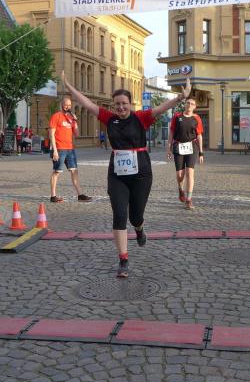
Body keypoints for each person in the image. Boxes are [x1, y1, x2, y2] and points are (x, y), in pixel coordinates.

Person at [63, 72, 192, 278]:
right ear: (113, 106)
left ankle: (139, 228)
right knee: (120, 215)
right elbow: (88, 104)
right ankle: (123, 260)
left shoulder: (140, 118)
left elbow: (161, 108)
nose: (121, 107)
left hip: (141, 174)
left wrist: (180, 97)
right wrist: (70, 88)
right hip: (117, 175)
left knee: (135, 216)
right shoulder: (109, 118)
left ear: (130, 104)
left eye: (124, 103)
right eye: (117, 104)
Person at [48, 97, 92, 203]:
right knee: (57, 171)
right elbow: (51, 135)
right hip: (59, 148)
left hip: (70, 149)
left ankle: (80, 195)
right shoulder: (56, 116)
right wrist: (54, 151)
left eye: (69, 105)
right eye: (66, 105)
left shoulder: (71, 118)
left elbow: (76, 134)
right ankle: (53, 196)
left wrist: (75, 121)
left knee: (74, 171)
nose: (68, 107)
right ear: (62, 105)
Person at [167, 97, 204, 210]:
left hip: (192, 147)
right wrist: (169, 148)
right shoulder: (177, 116)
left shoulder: (196, 118)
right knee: (180, 175)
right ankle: (180, 189)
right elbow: (172, 132)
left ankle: (189, 199)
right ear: (185, 104)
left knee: (190, 173)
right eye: (188, 103)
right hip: (178, 146)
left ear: (195, 107)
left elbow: (199, 135)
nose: (189, 105)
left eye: (192, 104)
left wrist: (201, 153)